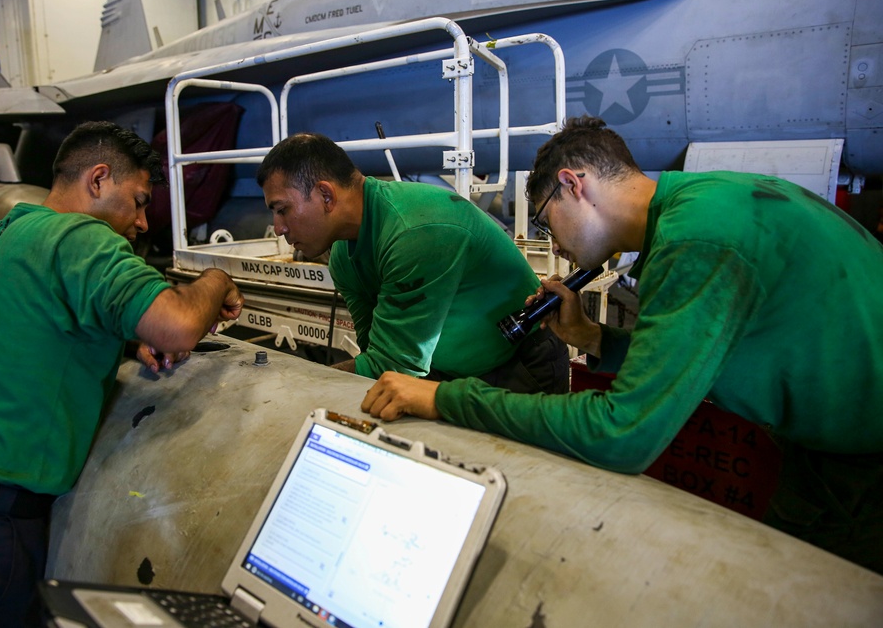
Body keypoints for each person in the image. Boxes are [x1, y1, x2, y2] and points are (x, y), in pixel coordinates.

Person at [361, 115, 883, 573]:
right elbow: (696, 357)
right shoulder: (702, 202)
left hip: (864, 456)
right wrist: (594, 339)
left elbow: (622, 434)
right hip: (829, 442)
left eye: (546, 221)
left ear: (573, 185)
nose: (555, 245)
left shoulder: (696, 242)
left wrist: (440, 398)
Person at [0, 121, 244, 627]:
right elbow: (180, 325)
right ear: (98, 179)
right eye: (139, 201)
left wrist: (122, 335)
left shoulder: (7, 233)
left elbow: (37, 317)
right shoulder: (81, 238)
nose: (142, 222)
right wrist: (216, 278)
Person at [256, 132, 569, 393]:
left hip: (519, 365)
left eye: (282, 209)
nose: (279, 227)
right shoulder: (343, 258)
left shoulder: (415, 231)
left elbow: (391, 365)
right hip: (446, 375)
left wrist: (301, 390)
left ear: (326, 195)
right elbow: (376, 353)